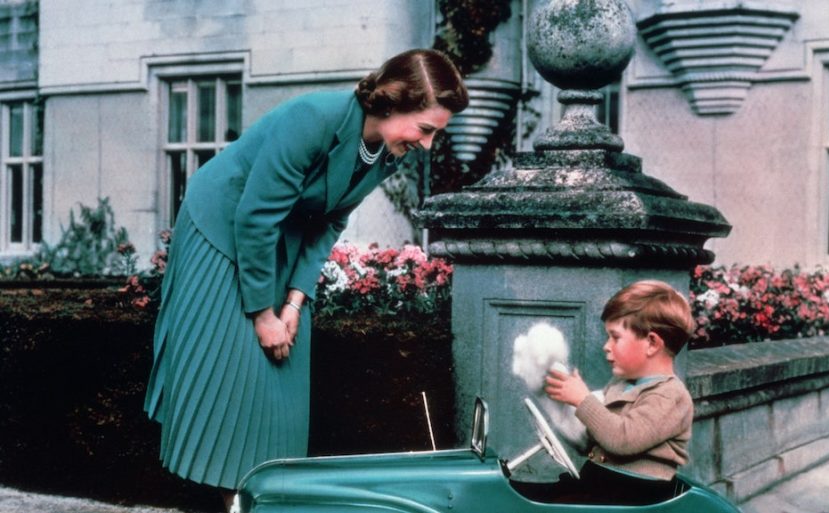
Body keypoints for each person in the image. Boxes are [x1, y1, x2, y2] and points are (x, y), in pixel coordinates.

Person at [142, 48, 468, 510]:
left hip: (280, 236)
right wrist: (261, 314)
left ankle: (266, 499)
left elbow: (330, 223)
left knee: (281, 382)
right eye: (426, 129)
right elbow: (254, 218)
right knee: (235, 372)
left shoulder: (385, 151)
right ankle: (234, 500)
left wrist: (294, 301)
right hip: (220, 227)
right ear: (392, 103)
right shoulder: (312, 118)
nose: (429, 144)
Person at [543, 280, 695, 506]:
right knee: (530, 493)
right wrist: (560, 411)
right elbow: (593, 439)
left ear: (652, 343)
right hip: (604, 486)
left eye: (615, 337)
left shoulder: (671, 396)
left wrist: (583, 400)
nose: (606, 346)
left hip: (635, 494)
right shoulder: (620, 384)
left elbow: (622, 440)